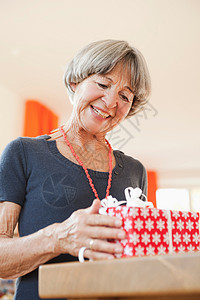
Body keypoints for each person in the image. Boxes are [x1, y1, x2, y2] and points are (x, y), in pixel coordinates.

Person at [0, 39, 151, 299]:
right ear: (75, 82)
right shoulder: (23, 153)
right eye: (103, 84)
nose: (111, 101)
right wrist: (59, 237)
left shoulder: (136, 172)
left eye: (125, 96)